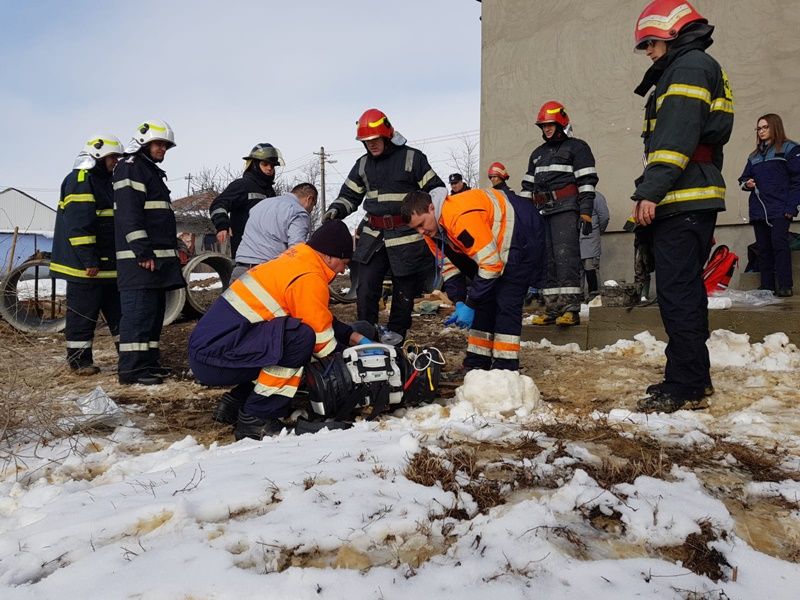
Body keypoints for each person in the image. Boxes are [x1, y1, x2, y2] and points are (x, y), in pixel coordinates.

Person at [630, 0, 734, 413]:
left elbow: (674, 140)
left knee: (678, 294)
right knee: (683, 291)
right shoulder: (694, 66)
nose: (649, 52)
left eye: (651, 43)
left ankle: (687, 383)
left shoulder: (688, 68)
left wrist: (650, 191)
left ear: (672, 35)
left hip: (681, 196)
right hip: (688, 194)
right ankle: (693, 377)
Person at [188, 220, 371, 440]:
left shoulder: (295, 262)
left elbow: (315, 314)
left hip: (210, 351)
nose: (343, 269)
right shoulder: (309, 278)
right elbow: (322, 345)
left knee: (282, 341)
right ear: (330, 256)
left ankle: (235, 404)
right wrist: (354, 360)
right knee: (299, 341)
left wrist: (351, 335)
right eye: (344, 262)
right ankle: (258, 418)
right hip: (216, 358)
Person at [322, 108, 446, 340]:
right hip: (373, 235)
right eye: (366, 141)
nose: (371, 145)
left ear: (387, 134)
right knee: (366, 286)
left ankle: (397, 335)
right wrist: (335, 211)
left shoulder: (412, 158)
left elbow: (436, 189)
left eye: (375, 139)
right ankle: (364, 334)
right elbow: (349, 195)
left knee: (404, 289)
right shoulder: (362, 165)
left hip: (406, 236)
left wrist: (433, 220)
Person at [401, 187, 535, 372]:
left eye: (422, 224)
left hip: (521, 234)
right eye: (416, 228)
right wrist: (459, 302)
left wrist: (471, 303)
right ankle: (477, 363)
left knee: (506, 301)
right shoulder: (433, 232)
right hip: (494, 247)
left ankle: (505, 369)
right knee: (484, 301)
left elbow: (491, 264)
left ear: (432, 208)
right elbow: (449, 268)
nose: (421, 231)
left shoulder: (458, 216)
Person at [114, 119, 185, 385]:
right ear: (144, 142)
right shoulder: (130, 168)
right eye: (159, 144)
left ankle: (148, 364)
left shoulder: (148, 170)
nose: (163, 150)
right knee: (138, 314)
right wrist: (142, 252)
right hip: (140, 262)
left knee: (153, 315)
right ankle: (131, 370)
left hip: (156, 263)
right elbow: (129, 216)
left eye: (166, 146)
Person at [50, 135, 124, 375]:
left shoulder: (106, 181)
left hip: (107, 266)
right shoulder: (80, 180)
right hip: (85, 268)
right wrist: (89, 260)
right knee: (83, 316)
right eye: (112, 157)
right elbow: (80, 225)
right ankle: (80, 362)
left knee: (120, 315)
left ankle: (129, 358)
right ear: (98, 156)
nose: (115, 161)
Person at [520, 100, 598, 326]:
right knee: (547, 262)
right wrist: (525, 218)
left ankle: (571, 310)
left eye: (550, 124)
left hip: (566, 208)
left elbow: (586, 182)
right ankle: (552, 309)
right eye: (543, 125)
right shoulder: (537, 154)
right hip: (541, 212)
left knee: (566, 258)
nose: (546, 129)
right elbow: (527, 188)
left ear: (561, 122)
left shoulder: (578, 148)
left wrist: (585, 212)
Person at [738, 113, 800, 297]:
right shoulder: (754, 156)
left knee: (779, 245)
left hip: (780, 208)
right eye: (759, 128)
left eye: (765, 127)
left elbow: (798, 181)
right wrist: (747, 183)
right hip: (759, 210)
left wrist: (791, 207)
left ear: (775, 127)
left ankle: (785, 285)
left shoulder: (790, 149)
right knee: (763, 248)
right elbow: (742, 179)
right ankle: (767, 287)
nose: (761, 131)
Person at [230, 183, 318, 281]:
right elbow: (296, 250)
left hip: (240, 270)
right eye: (313, 206)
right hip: (265, 275)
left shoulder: (261, 204)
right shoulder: (298, 212)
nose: (311, 210)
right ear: (309, 199)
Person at [487, 161, 547, 304]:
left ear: (502, 177)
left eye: (495, 176)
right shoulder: (514, 201)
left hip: (509, 253)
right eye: (491, 177)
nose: (493, 180)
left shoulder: (504, 200)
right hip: (508, 254)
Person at [209, 143, 282, 257]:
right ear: (254, 165)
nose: (269, 168)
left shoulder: (270, 192)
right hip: (246, 254)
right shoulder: (242, 185)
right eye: (265, 164)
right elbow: (218, 204)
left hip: (268, 254)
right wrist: (222, 225)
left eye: (272, 166)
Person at [579, 191, 610, 299]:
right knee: (577, 271)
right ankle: (579, 299)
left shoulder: (596, 197)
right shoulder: (574, 195)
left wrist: (597, 232)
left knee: (590, 268)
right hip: (576, 240)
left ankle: (594, 298)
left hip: (590, 239)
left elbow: (604, 217)